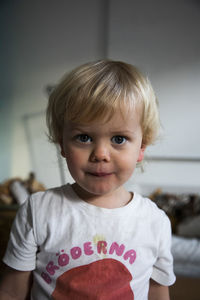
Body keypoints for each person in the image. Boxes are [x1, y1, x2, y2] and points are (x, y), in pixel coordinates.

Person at [0, 60, 175, 299]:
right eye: (83, 137)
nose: (100, 154)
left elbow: (157, 293)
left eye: (119, 139)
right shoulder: (38, 211)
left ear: (141, 147)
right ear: (62, 143)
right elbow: (12, 292)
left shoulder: (155, 222)